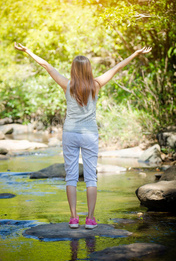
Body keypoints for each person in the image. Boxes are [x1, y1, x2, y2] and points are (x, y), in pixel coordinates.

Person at [14, 42, 152, 229]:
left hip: (70, 134)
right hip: (89, 135)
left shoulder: (67, 84)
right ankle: (90, 219)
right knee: (91, 178)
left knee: (71, 177)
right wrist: (135, 53)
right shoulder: (96, 84)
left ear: (73, 69)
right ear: (88, 69)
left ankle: (73, 218)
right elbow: (117, 67)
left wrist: (28, 50)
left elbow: (46, 65)